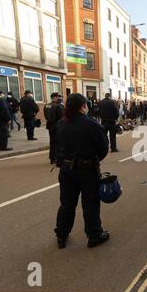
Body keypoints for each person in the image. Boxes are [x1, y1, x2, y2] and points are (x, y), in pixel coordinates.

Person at [55, 93, 110, 249]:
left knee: (67, 204)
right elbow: (103, 148)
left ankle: (61, 235)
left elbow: (57, 145)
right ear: (83, 106)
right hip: (87, 170)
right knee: (90, 204)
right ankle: (94, 235)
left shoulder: (61, 123)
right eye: (85, 105)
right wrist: (93, 159)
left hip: (66, 169)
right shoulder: (91, 124)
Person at [44, 93, 64, 164]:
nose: (60, 98)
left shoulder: (47, 105)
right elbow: (62, 118)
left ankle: (52, 158)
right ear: (55, 97)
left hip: (50, 126)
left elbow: (46, 116)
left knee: (52, 142)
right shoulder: (59, 106)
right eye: (59, 97)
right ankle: (58, 158)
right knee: (58, 143)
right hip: (57, 127)